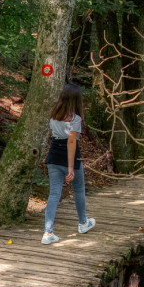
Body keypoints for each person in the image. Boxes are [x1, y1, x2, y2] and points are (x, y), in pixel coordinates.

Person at [42, 84, 95, 245]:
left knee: (54, 194)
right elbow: (71, 141)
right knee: (79, 189)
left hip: (53, 157)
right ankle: (83, 223)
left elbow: (57, 138)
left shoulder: (53, 116)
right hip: (69, 158)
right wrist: (71, 167)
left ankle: (47, 232)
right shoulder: (75, 119)